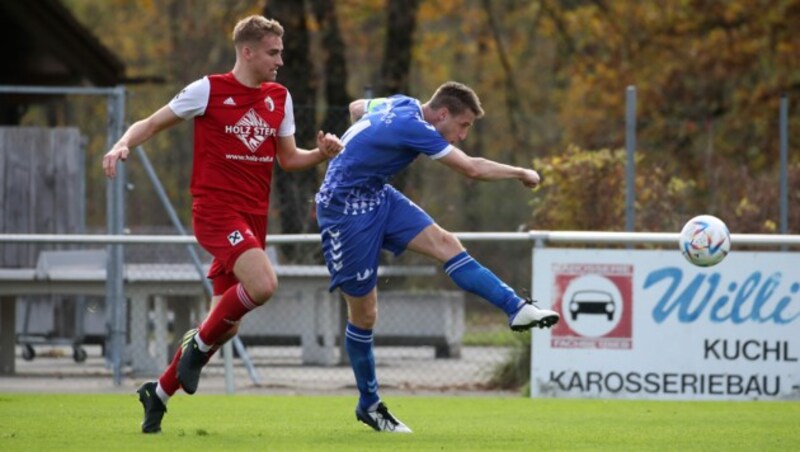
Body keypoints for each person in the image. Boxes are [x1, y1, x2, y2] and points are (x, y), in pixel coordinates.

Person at [102, 15, 343, 434]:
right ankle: (194, 346)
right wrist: (123, 142)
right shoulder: (207, 90)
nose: (280, 61)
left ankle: (157, 393)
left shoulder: (279, 97)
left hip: (252, 218)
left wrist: (321, 154)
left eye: (281, 53)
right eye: (273, 52)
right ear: (247, 52)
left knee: (225, 328)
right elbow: (152, 123)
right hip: (215, 211)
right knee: (264, 285)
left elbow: (289, 159)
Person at [315, 82, 560, 433]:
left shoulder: (400, 104)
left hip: (377, 195)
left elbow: (357, 107)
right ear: (442, 114)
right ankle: (369, 405)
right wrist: (520, 172)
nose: (461, 136)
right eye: (463, 126)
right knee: (365, 314)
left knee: (447, 243)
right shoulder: (413, 125)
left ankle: (515, 308)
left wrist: (351, 144)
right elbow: (472, 168)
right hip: (343, 212)